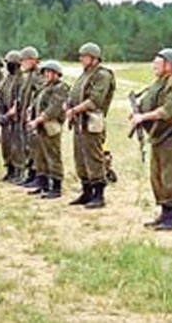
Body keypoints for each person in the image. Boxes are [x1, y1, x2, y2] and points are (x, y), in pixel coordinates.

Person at [66, 42, 116, 209]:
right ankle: (86, 191)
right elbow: (74, 93)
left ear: (94, 58)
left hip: (92, 122)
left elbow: (95, 100)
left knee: (94, 157)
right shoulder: (85, 75)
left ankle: (99, 194)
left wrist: (74, 109)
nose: (81, 59)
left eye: (84, 56)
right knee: (80, 158)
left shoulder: (102, 75)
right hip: (80, 122)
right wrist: (69, 105)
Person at [130, 48, 172, 230]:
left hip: (169, 136)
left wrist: (144, 117)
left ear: (169, 65)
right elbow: (147, 102)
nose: (155, 66)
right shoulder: (158, 83)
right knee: (157, 176)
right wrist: (136, 112)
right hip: (158, 137)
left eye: (159, 63)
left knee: (169, 176)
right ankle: (165, 213)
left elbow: (167, 110)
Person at [26, 60, 69, 198]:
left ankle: (56, 187)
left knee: (52, 155)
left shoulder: (61, 88)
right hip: (40, 126)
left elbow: (53, 108)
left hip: (50, 126)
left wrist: (37, 120)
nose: (47, 74)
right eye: (45, 72)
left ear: (57, 74)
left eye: (50, 72)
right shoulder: (44, 88)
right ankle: (42, 183)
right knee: (40, 156)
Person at [0, 50, 25, 182]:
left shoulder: (21, 79)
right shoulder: (7, 78)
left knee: (17, 146)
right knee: (6, 145)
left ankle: (18, 172)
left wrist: (9, 114)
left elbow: (19, 100)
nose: (8, 65)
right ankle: (9, 170)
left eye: (11, 63)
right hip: (6, 116)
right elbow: (1, 95)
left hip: (16, 118)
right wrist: (1, 111)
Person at [17, 46, 42, 187]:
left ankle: (37, 175)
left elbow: (39, 97)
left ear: (33, 60)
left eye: (25, 60)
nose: (23, 63)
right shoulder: (28, 77)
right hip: (26, 116)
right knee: (27, 147)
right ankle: (30, 175)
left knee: (35, 148)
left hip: (33, 117)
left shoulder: (38, 76)